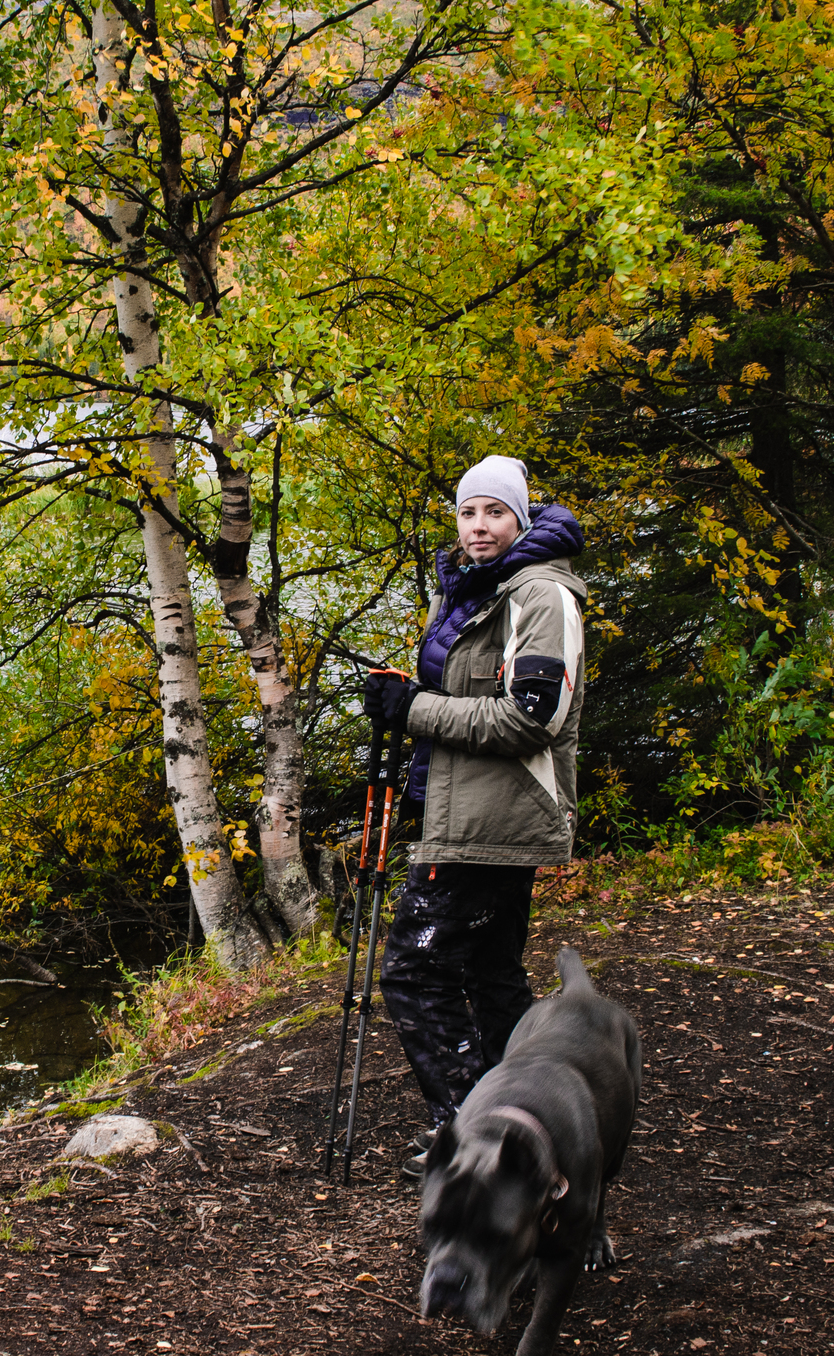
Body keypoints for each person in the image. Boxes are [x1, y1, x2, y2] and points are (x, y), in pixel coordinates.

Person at [363, 454, 588, 1178]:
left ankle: (471, 1133)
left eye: (495, 512)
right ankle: (529, 1125)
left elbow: (532, 718)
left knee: (412, 971)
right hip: (468, 814)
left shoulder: (540, 594)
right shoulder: (476, 589)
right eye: (468, 512)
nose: (479, 526)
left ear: (521, 518)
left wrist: (416, 710)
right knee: (493, 977)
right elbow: (465, 690)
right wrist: (407, 698)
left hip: (497, 820)